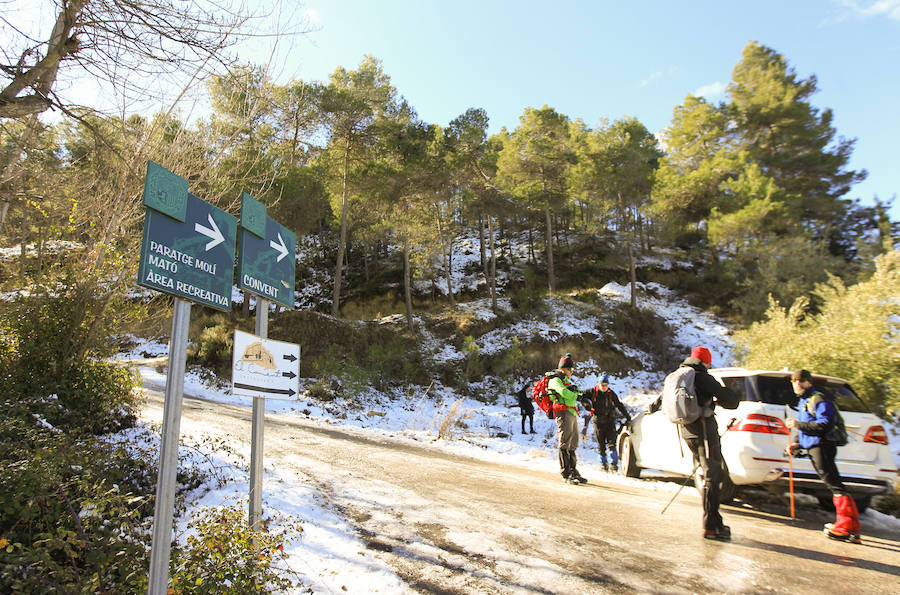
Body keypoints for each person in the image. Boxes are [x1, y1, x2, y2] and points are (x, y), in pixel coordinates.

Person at [786, 369, 861, 544]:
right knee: (833, 483)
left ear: (809, 382)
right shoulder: (805, 400)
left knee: (834, 484)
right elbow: (807, 426)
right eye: (795, 380)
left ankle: (847, 526)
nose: (798, 383)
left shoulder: (817, 398)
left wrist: (798, 424)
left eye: (802, 380)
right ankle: (850, 526)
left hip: (822, 446)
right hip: (815, 446)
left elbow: (824, 424)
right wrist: (796, 442)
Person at [675, 346, 739, 541]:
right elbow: (731, 401)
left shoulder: (680, 375)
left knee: (709, 472)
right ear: (705, 361)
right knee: (713, 474)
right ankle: (711, 526)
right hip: (704, 430)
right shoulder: (702, 376)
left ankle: (715, 521)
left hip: (687, 431)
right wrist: (724, 395)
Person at [546, 353, 586, 484]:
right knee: (565, 441)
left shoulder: (565, 380)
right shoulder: (555, 380)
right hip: (562, 413)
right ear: (563, 368)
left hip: (571, 413)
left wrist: (582, 395)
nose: (572, 372)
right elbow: (563, 392)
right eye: (570, 369)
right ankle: (566, 472)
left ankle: (573, 470)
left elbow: (575, 391)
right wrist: (577, 397)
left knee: (573, 442)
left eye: (572, 370)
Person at [581, 375, 631, 472]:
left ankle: (614, 465)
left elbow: (619, 405)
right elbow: (580, 396)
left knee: (612, 444)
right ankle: (603, 464)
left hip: (610, 422)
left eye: (605, 385)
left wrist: (627, 416)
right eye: (602, 385)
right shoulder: (592, 392)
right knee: (601, 445)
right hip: (598, 422)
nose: (604, 387)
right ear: (598, 384)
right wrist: (587, 405)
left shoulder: (611, 393)